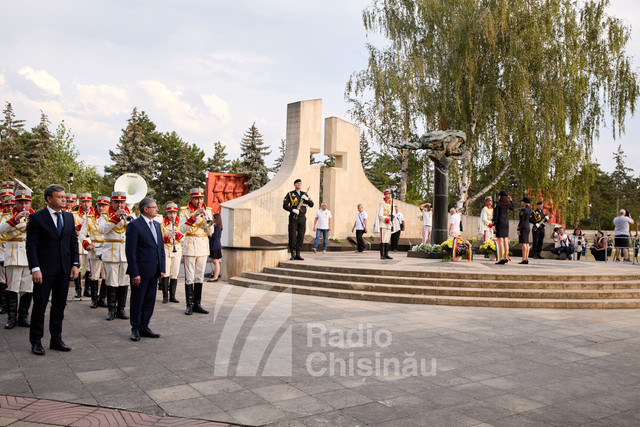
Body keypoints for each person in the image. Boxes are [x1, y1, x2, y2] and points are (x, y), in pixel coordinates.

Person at [26, 184, 79, 355]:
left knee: (59, 306)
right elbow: (31, 245)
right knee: (40, 305)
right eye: (60, 197)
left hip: (64, 269)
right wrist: (35, 268)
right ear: (49, 199)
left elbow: (73, 242)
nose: (64, 199)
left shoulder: (69, 217)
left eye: (64, 196)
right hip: (44, 270)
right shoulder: (37, 218)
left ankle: (56, 339)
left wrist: (75, 264)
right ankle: (36, 341)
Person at [125, 198, 164, 341]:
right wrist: (135, 272)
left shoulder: (157, 225)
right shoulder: (134, 225)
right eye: (154, 207)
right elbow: (131, 251)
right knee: (138, 300)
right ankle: (135, 328)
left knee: (150, 300)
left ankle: (145, 326)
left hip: (154, 270)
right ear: (145, 209)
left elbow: (160, 248)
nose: (157, 209)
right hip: (140, 272)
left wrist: (162, 267)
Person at [0, 188, 35, 329]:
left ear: (30, 203)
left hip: (29, 256)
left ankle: (23, 316)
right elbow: (1, 229)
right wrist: (16, 219)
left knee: (28, 288)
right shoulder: (7, 215)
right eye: (20, 203)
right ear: (16, 203)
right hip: (13, 255)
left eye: (26, 202)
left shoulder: (35, 216)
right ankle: (11, 317)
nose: (23, 206)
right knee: (12, 287)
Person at [98, 191, 133, 321]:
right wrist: (115, 218)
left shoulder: (130, 214)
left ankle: (121, 309)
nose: (119, 205)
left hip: (125, 252)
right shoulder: (105, 215)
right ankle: (111, 309)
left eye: (122, 202)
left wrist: (126, 219)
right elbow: (102, 230)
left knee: (124, 281)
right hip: (111, 251)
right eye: (117, 202)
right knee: (111, 281)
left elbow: (133, 230)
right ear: (111, 203)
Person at [179, 187, 214, 315]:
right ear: (191, 199)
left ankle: (197, 304)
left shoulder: (208, 211)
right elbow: (182, 229)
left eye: (200, 198)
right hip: (189, 246)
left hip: (202, 246)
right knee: (189, 277)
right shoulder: (184, 211)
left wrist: (207, 220)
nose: (198, 201)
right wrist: (193, 216)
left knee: (199, 276)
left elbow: (211, 233)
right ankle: (189, 305)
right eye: (196, 199)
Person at [79, 195, 109, 308]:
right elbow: (82, 233)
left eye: (104, 206)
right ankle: (94, 299)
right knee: (94, 275)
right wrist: (86, 243)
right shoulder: (90, 218)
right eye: (100, 205)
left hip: (107, 248)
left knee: (107, 274)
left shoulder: (111, 218)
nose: (101, 208)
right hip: (94, 247)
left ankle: (103, 298)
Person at [283, 179, 314, 260]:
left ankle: (298, 253)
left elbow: (311, 205)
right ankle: (292, 253)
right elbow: (285, 205)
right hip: (293, 217)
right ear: (294, 184)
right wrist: (292, 210)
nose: (299, 184)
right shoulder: (290, 194)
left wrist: (307, 199)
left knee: (301, 235)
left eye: (300, 183)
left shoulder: (304, 194)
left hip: (302, 217)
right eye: (297, 183)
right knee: (292, 235)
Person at [159, 201, 183, 303]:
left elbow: (184, 238)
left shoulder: (180, 223)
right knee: (166, 272)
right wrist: (167, 237)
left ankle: (172, 295)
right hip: (166, 248)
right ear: (167, 213)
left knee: (174, 272)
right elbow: (159, 238)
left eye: (174, 213)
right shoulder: (162, 224)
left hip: (176, 249)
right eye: (170, 213)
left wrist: (177, 235)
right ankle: (165, 296)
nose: (172, 215)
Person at [73, 193, 93, 298]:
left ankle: (87, 288)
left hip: (90, 241)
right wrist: (80, 226)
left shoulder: (94, 213)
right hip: (79, 241)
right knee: (79, 266)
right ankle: (78, 289)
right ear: (80, 203)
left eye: (88, 202)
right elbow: (71, 229)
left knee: (90, 266)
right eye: (84, 202)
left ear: (91, 203)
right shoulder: (75, 214)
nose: (86, 204)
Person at [373, 189, 399, 260]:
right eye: (388, 194)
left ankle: (386, 254)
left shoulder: (391, 204)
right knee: (383, 239)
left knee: (387, 239)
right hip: (383, 223)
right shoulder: (382, 203)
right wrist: (386, 219)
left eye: (390, 194)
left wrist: (393, 216)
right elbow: (380, 214)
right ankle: (382, 254)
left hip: (389, 224)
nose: (389, 195)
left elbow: (394, 213)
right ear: (385, 195)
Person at [493, 190, 513, 264]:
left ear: (500, 196)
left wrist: (494, 224)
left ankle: (501, 258)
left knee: (501, 241)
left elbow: (496, 215)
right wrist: (511, 201)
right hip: (506, 222)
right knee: (506, 240)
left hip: (500, 223)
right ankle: (506, 257)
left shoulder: (498, 204)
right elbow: (512, 208)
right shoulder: (507, 204)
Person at [208, 213, 223, 281]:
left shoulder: (217, 227)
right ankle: (215, 276)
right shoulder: (217, 226)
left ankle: (215, 277)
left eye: (213, 218)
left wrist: (209, 234)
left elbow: (215, 236)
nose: (212, 219)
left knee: (215, 261)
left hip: (215, 246)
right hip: (215, 245)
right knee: (215, 261)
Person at [517, 197, 532, 264]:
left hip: (523, 227)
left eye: (522, 201)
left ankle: (523, 258)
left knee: (523, 243)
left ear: (525, 202)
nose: (521, 202)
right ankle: (526, 257)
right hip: (527, 226)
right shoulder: (529, 210)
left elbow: (522, 220)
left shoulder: (524, 210)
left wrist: (519, 229)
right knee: (527, 243)